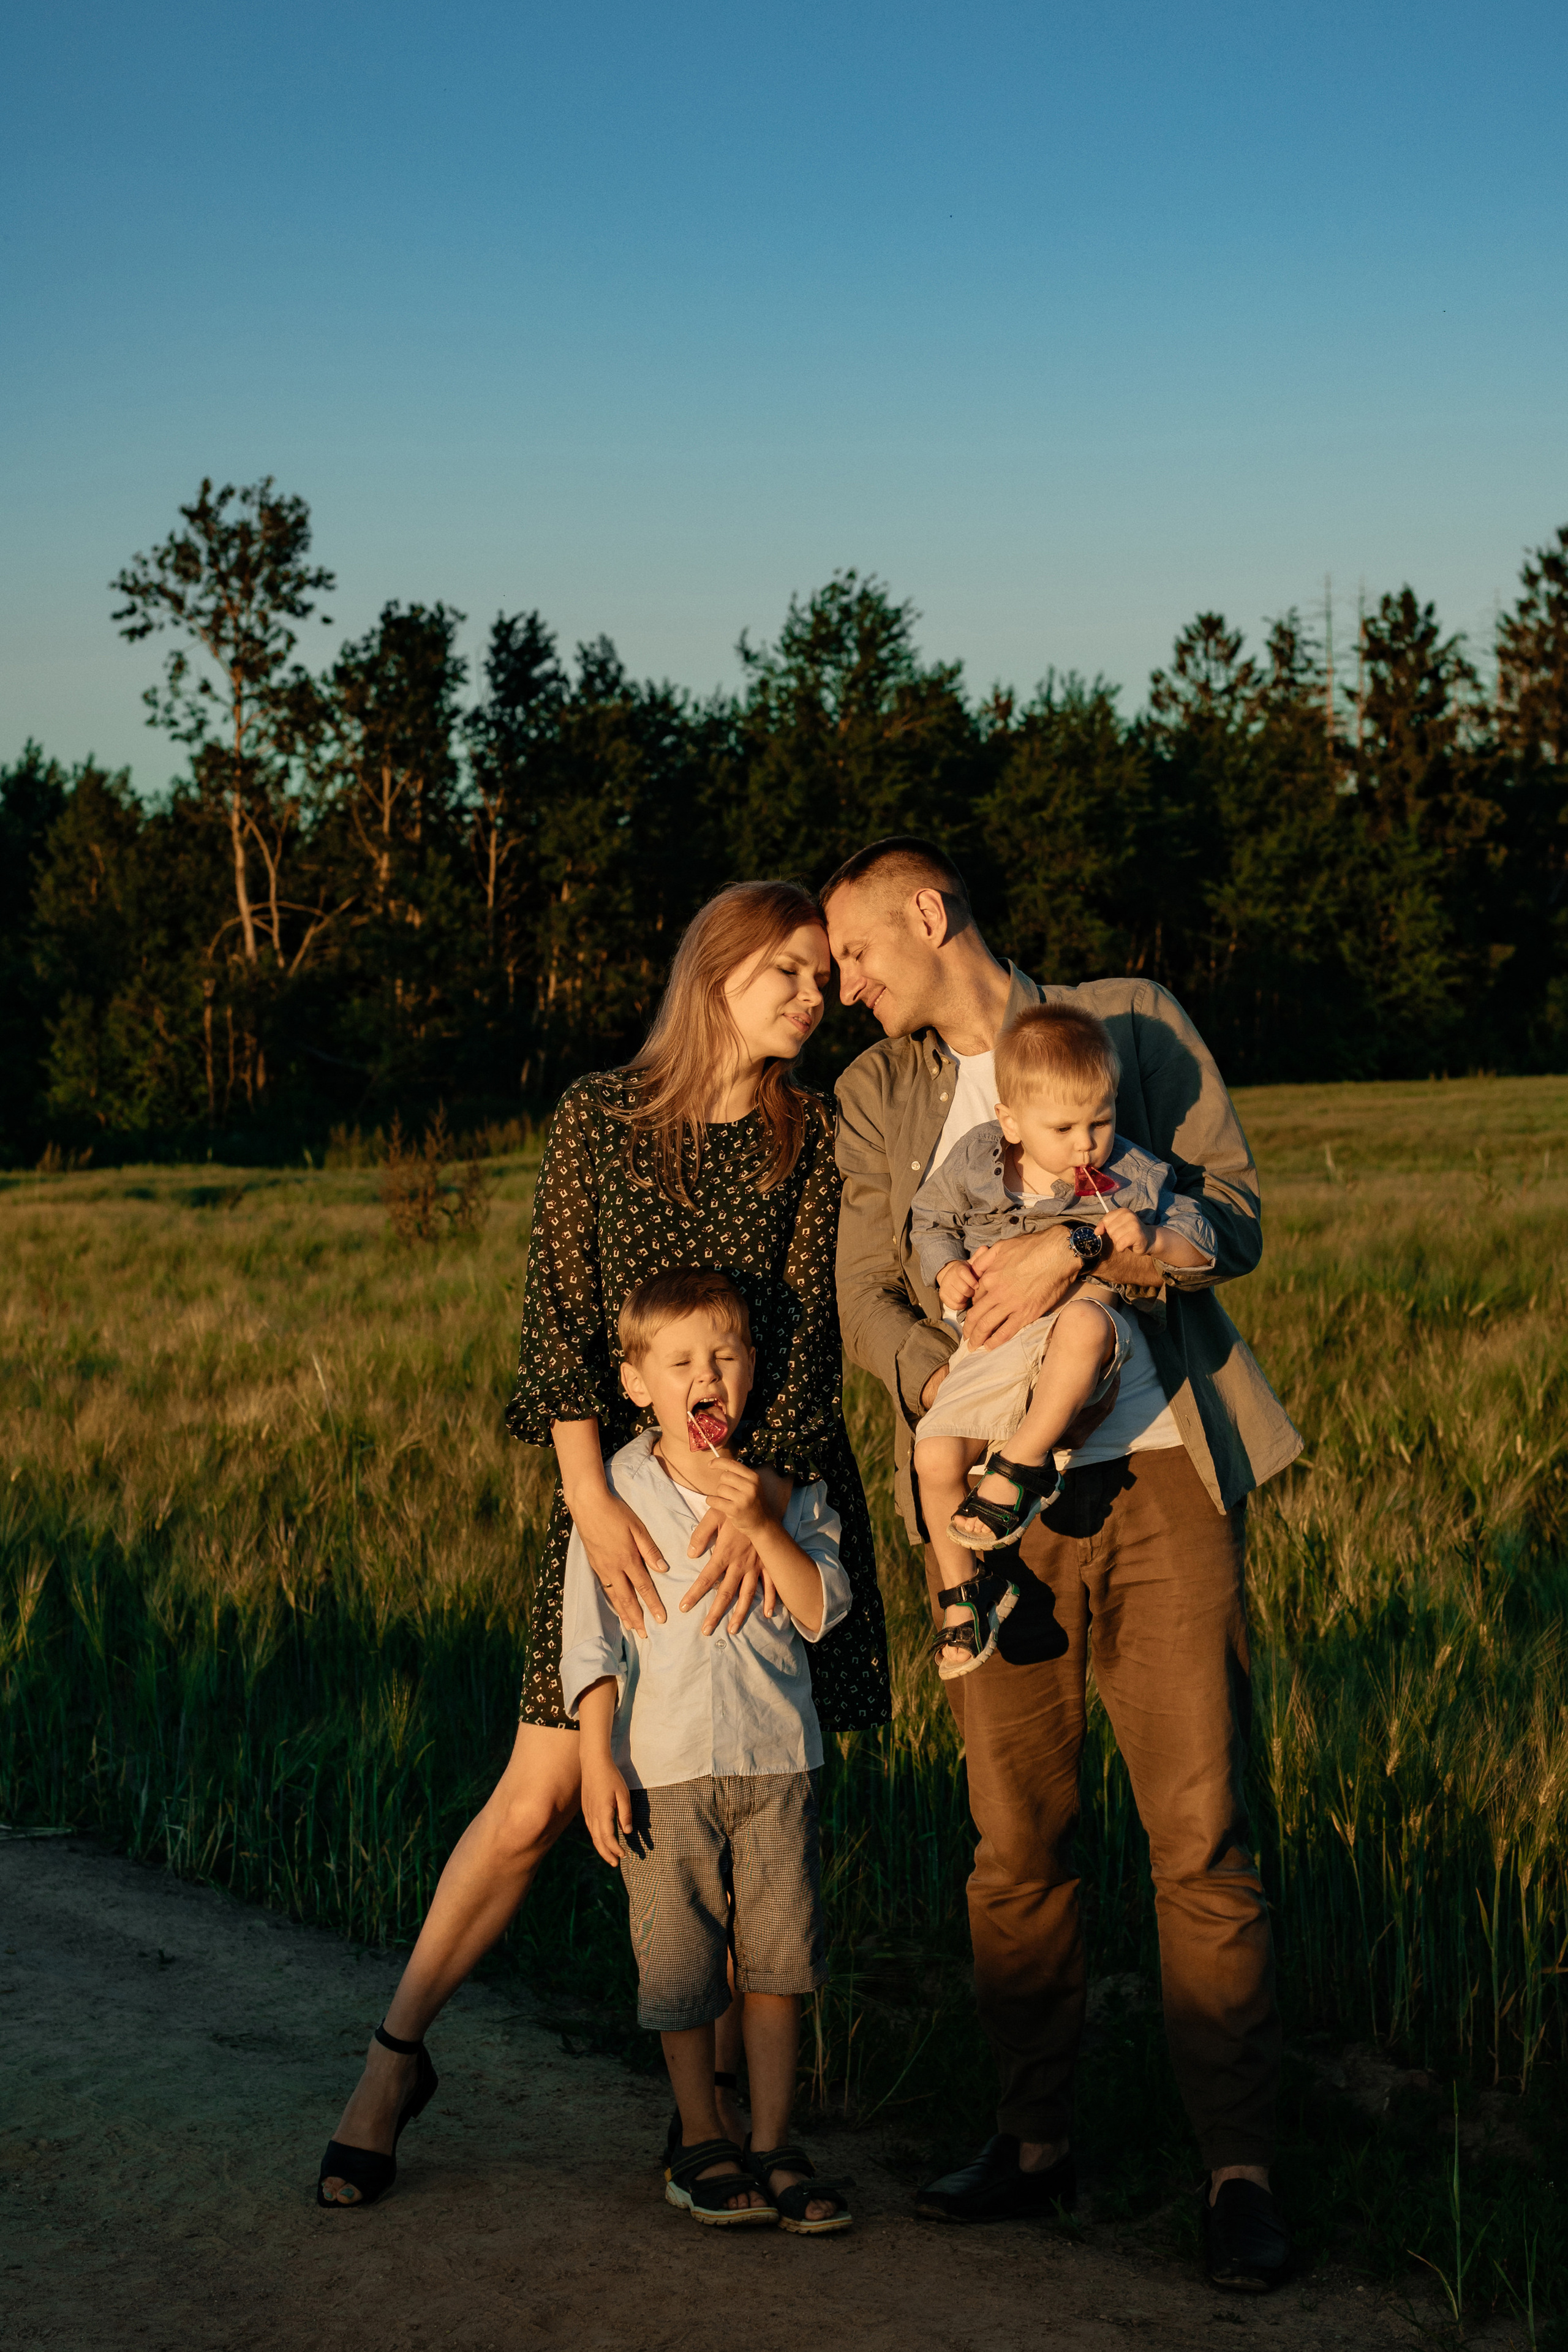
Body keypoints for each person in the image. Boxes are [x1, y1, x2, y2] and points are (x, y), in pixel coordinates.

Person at [317, 880, 889, 2209]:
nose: (816, 999)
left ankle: (739, 2133)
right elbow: (557, 1322)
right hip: (615, 1505)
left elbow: (807, 1343)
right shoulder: (597, 1117)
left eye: (821, 978)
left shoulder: (809, 1137)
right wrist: (592, 1501)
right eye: (789, 975)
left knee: (752, 1822)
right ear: (716, 972)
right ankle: (392, 2062)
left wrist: (763, 1499)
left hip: (767, 1502)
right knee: (531, 1809)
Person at [824, 835, 1300, 2293]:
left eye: (854, 951)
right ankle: (1034, 2143)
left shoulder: (1126, 1021)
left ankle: (1235, 2166)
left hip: (1157, 1479)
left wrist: (1085, 1244)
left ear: (926, 910)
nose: (844, 989)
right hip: (991, 1498)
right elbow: (860, 1289)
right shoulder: (876, 1094)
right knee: (1013, 1839)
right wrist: (950, 1369)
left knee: (1197, 1829)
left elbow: (1229, 1216)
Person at [567, 1265, 854, 2233]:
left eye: (726, 1357)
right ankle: (700, 2137)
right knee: (683, 1966)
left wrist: (761, 1520)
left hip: (778, 1764)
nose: (708, 1376)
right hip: (663, 1771)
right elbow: (591, 1641)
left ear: (752, 1371)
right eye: (683, 1361)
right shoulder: (616, 1492)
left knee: (776, 1964)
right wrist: (595, 1759)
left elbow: (819, 1609)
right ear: (638, 1383)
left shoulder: (786, 1488)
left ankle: (773, 2141)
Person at [911, 1002, 1216, 1678]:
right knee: (932, 1455)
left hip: (1084, 1340)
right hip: (992, 1341)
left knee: (1083, 1322)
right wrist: (948, 1269)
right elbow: (929, 1220)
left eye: (1100, 1122)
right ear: (1010, 1121)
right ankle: (967, 1594)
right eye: (1064, 1128)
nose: (1086, 1145)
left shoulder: (1131, 1175)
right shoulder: (976, 1160)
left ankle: (1021, 1467)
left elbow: (1201, 1244)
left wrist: (1154, 1238)